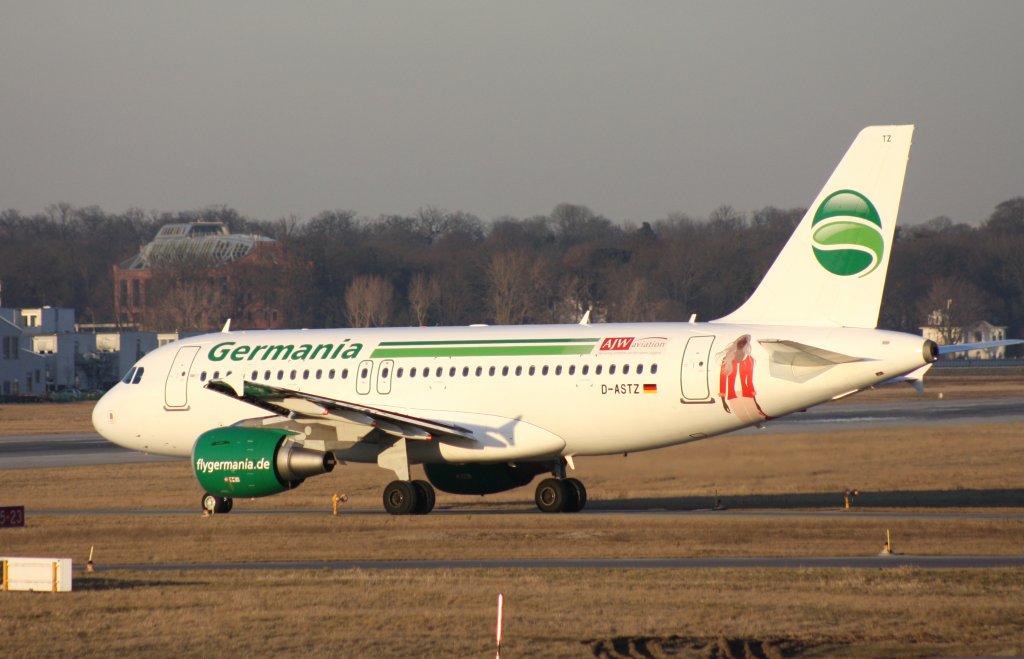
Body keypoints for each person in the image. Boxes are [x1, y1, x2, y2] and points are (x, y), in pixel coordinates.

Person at [718, 334, 769, 422]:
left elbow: (749, 381)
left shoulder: (749, 359)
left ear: (746, 344)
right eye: (740, 342)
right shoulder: (727, 359)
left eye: (744, 342)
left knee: (753, 419)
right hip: (732, 395)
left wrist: (755, 401)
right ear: (736, 343)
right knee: (742, 419)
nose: (741, 344)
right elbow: (723, 380)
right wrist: (723, 400)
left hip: (746, 395)